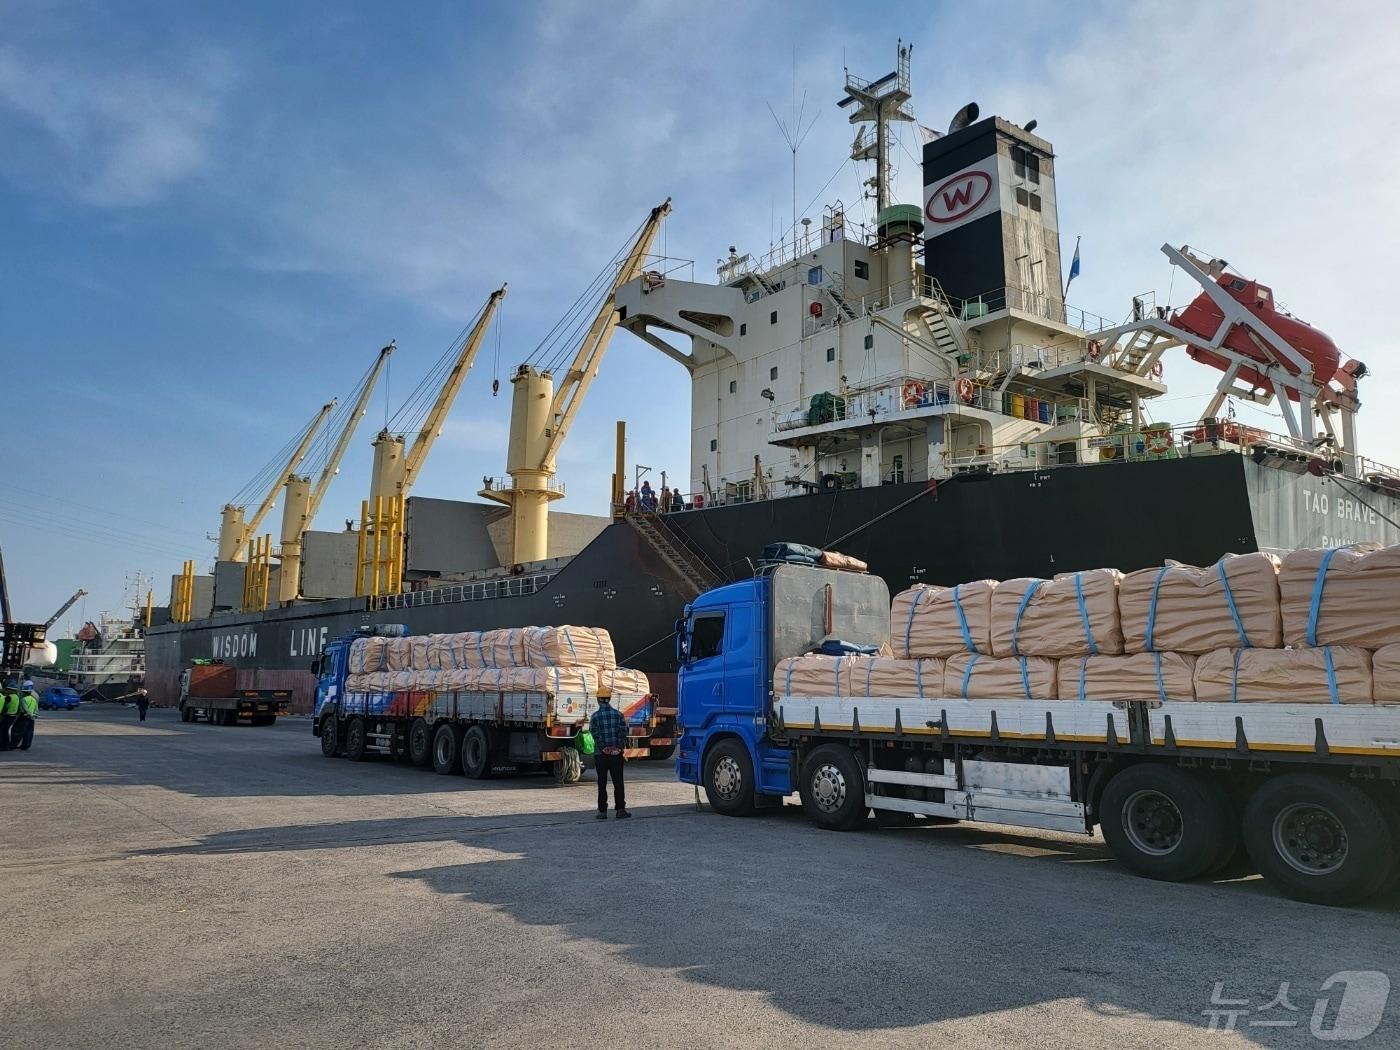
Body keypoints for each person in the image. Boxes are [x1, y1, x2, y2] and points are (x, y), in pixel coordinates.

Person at [589, 686, 630, 820]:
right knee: (618, 782)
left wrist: (603, 747)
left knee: (602, 783)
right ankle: (620, 810)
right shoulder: (618, 715)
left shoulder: (595, 716)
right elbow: (623, 732)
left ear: (598, 699)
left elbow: (595, 733)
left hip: (601, 755)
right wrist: (617, 747)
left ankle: (602, 812)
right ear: (609, 698)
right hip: (616, 755)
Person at [11, 682, 37, 751]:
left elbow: (25, 708)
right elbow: (36, 709)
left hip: (24, 716)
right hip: (31, 718)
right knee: (28, 732)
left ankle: (13, 745)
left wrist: (28, 713)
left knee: (17, 730)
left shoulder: (24, 699)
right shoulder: (34, 699)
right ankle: (25, 745)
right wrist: (33, 714)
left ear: (24, 692)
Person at [0, 681, 18, 751]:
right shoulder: (16, 697)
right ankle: (6, 745)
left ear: (12, 690)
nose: (7, 690)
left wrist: (1, 715)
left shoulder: (9, 697)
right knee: (5, 731)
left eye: (8, 689)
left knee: (3, 731)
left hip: (7, 716)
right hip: (13, 716)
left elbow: (4, 708)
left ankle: (3, 745)